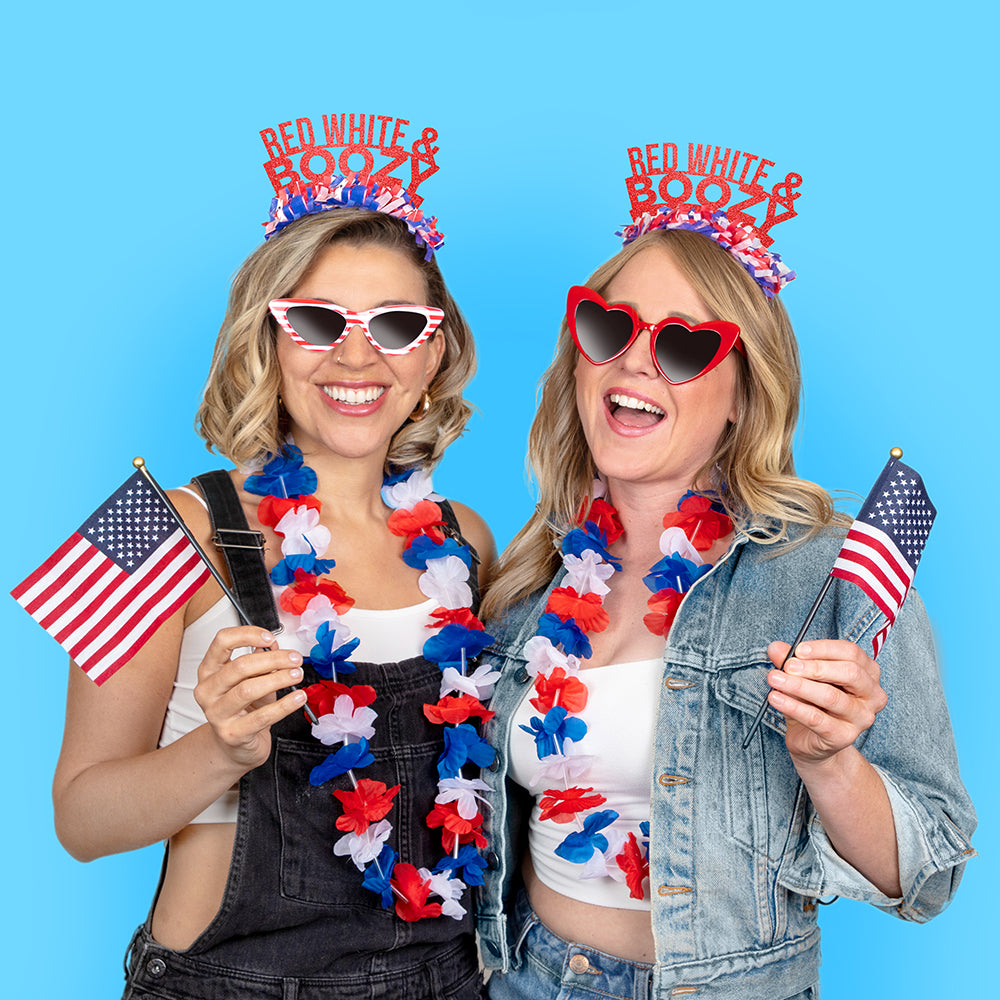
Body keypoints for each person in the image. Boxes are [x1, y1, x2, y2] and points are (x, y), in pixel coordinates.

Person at [476, 211, 975, 999]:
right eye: (610, 328)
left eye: (682, 346)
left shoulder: (826, 574)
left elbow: (929, 874)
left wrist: (829, 763)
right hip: (525, 981)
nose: (636, 362)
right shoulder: (530, 584)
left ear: (744, 392)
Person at [51, 166, 495, 999]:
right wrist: (217, 749)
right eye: (318, 321)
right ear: (266, 336)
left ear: (431, 353)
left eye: (396, 325)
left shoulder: (464, 539)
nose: (357, 355)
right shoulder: (149, 524)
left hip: (447, 980)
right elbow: (78, 819)